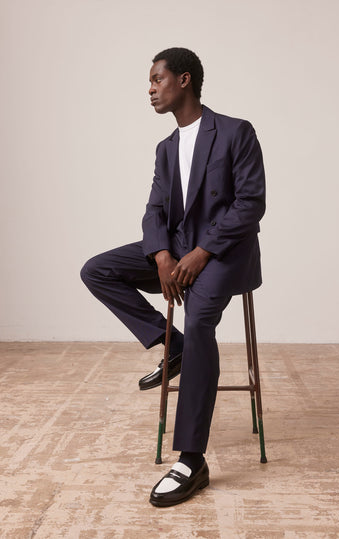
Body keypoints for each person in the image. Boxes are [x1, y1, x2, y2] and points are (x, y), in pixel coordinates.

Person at [80, 47, 266, 507]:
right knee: (98, 270)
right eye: (150, 81)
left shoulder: (236, 131)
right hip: (177, 250)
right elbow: (154, 209)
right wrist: (162, 254)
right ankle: (174, 346)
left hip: (223, 253)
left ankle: (191, 459)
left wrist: (202, 253)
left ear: (184, 80)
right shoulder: (166, 148)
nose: (150, 89)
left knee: (200, 319)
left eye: (156, 79)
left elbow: (251, 204)